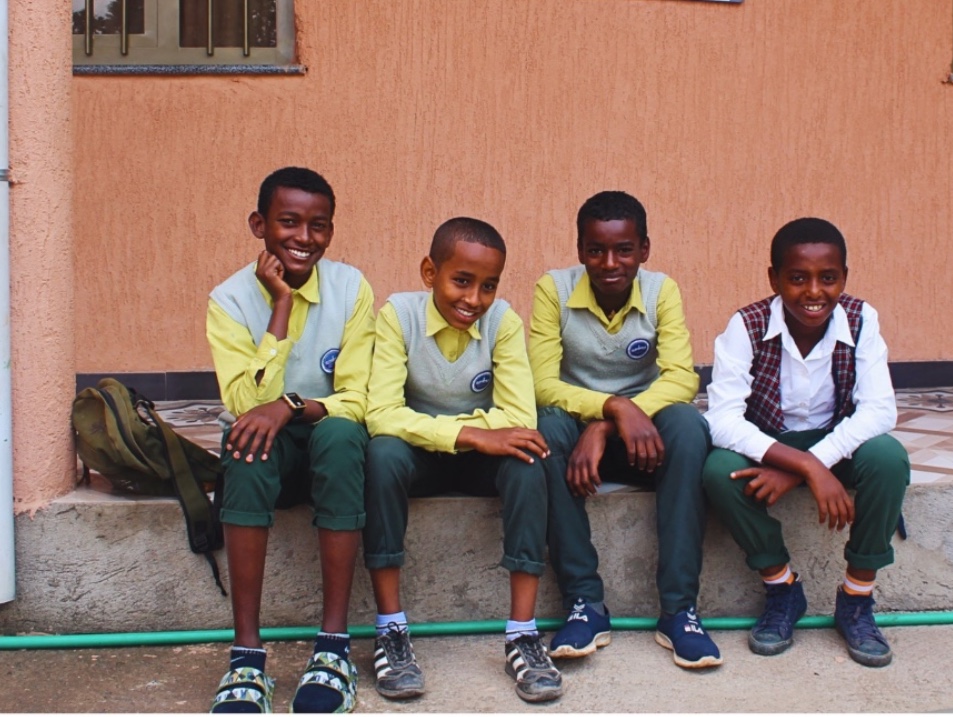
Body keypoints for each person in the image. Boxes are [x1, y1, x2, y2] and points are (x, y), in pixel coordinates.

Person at [362, 217, 563, 704]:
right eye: (462, 281)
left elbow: (519, 415)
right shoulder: (398, 316)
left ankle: (523, 633)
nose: (474, 299)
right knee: (382, 454)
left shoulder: (503, 322)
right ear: (430, 273)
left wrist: (471, 437)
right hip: (419, 457)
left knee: (527, 457)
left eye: (488, 285)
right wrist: (468, 432)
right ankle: (390, 629)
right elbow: (381, 413)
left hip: (477, 460)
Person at [702, 216, 910, 668]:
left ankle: (856, 598)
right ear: (774, 279)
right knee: (718, 469)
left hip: (835, 441)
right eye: (797, 278)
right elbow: (721, 420)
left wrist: (809, 464)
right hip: (770, 441)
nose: (814, 292)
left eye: (827, 278)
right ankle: (782, 589)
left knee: (888, 457)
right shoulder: (747, 324)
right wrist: (806, 467)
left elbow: (879, 410)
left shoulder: (861, 318)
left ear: (844, 278)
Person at [205, 166, 375, 712]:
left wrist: (292, 405)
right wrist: (280, 305)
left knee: (343, 434)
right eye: (289, 222)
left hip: (328, 446)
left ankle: (333, 647)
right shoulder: (229, 300)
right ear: (259, 225)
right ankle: (246, 656)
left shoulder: (351, 288)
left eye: (318, 225)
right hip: (268, 454)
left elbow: (359, 396)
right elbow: (244, 403)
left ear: (331, 231)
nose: (304, 237)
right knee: (245, 443)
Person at [530, 190, 720, 669]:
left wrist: (613, 422)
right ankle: (584, 603)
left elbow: (682, 378)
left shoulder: (661, 291)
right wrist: (609, 409)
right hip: (578, 443)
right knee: (544, 429)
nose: (610, 263)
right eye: (596, 250)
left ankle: (679, 611)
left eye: (624, 250)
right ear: (580, 250)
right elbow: (542, 384)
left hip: (643, 439)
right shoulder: (553, 290)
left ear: (645, 249)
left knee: (687, 424)